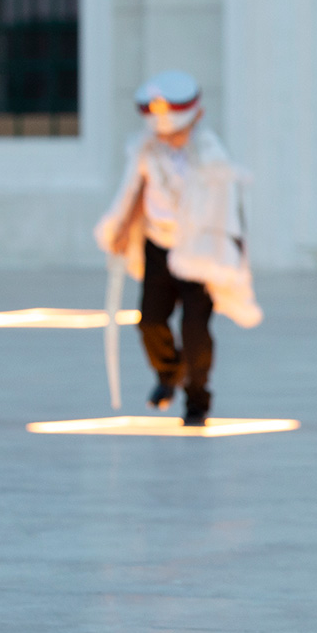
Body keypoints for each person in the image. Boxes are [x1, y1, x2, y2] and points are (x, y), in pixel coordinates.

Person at [95, 70, 262, 425]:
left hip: (198, 254)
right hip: (158, 247)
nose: (169, 137)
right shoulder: (146, 150)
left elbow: (228, 213)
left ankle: (197, 400)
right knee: (150, 322)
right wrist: (123, 227)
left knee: (195, 330)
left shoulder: (211, 157)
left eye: (176, 131)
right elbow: (137, 189)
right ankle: (169, 374)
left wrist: (228, 260)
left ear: (196, 118)